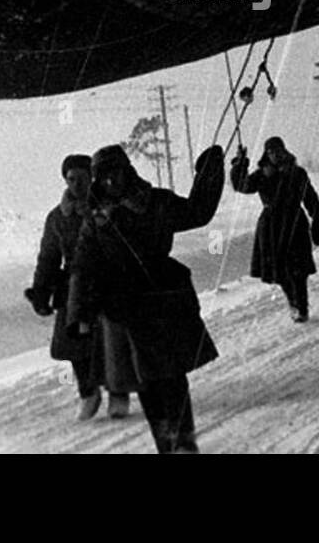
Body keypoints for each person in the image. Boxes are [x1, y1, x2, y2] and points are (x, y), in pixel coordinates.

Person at [67, 143, 225, 454]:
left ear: (128, 171)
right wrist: (78, 314)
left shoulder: (156, 203)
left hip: (162, 301)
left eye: (117, 173)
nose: (112, 181)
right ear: (98, 180)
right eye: (105, 176)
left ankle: (184, 440)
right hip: (123, 310)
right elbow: (82, 266)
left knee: (171, 378)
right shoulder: (95, 219)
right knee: (146, 383)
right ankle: (166, 444)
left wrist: (210, 173)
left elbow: (197, 212)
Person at [25, 154, 130, 421]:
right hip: (74, 288)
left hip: (107, 282)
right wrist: (41, 291)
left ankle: (118, 392)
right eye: (71, 179)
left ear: (92, 178)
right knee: (73, 345)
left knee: (111, 342)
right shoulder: (58, 218)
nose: (77, 184)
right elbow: (48, 257)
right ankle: (88, 393)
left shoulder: (109, 208)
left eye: (82, 178)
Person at [229, 136, 319, 323]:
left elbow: (310, 198)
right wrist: (240, 163)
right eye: (271, 152)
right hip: (271, 228)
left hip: (294, 225)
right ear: (266, 154)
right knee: (280, 272)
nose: (275, 155)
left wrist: (318, 216)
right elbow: (241, 186)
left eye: (277, 151)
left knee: (298, 270)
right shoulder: (262, 175)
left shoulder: (297, 173)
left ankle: (301, 307)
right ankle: (294, 302)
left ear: (284, 151)